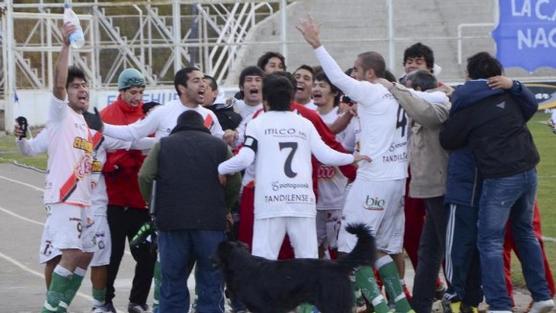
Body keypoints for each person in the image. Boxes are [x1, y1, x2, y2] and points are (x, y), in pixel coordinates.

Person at [297, 16, 414, 313]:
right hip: (397, 180)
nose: (354, 74)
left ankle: (379, 307)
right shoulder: (402, 94)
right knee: (380, 248)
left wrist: (317, 46)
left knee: (350, 245)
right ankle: (401, 308)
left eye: (358, 70)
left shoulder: (372, 90)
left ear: (370, 73)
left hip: (373, 178)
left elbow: (337, 78)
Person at [440, 52, 554, 313]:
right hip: (529, 170)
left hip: (500, 176)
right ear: (497, 75)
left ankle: (500, 305)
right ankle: (542, 296)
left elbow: (448, 139)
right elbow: (531, 107)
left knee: (489, 241)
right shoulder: (511, 94)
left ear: (469, 74)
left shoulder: (466, 100)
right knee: (525, 233)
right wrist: (514, 85)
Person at [219, 73, 366, 260]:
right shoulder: (304, 123)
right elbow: (325, 154)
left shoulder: (257, 123)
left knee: (263, 260)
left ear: (265, 99)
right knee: (308, 259)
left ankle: (269, 290)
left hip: (270, 201)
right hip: (301, 200)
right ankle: (309, 291)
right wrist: (352, 158)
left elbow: (244, 159)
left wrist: (220, 169)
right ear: (291, 97)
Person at [138, 110, 240, 313]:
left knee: (173, 279)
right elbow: (235, 180)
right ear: (203, 126)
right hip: (211, 224)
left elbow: (145, 176)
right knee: (211, 281)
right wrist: (225, 207)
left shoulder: (164, 145)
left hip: (171, 223)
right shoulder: (219, 146)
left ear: (178, 125)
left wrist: (154, 205)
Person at [375, 70, 451, 313]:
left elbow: (423, 112)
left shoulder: (438, 105)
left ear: (417, 88)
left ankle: (462, 296)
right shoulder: (420, 106)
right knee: (428, 251)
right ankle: (421, 305)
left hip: (441, 189)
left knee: (450, 249)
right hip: (427, 189)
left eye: (406, 86)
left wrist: (394, 88)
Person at [39, 22, 97, 313]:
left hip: (83, 199)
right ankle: (52, 310)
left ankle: (59, 303)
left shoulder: (84, 123)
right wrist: (66, 45)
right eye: (76, 86)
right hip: (65, 197)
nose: (82, 89)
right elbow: (58, 84)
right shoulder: (61, 114)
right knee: (71, 253)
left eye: (84, 84)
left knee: (86, 253)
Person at [99, 68, 156, 313]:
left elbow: (152, 149)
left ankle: (137, 301)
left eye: (141, 92)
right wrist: (118, 161)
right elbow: (98, 153)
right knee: (111, 257)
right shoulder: (106, 116)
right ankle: (105, 299)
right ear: (120, 92)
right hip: (112, 200)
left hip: (140, 201)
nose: (137, 97)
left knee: (146, 254)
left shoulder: (148, 117)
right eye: (133, 92)